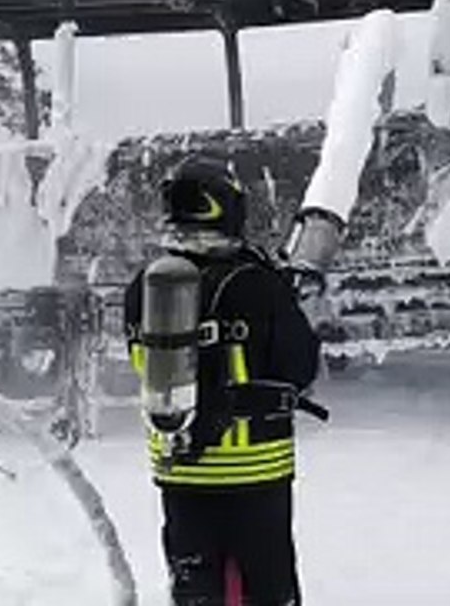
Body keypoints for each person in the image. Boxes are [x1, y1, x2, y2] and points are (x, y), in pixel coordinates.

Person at [124, 154, 323, 606]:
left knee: (195, 592)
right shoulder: (257, 285)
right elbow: (300, 367)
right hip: (257, 471)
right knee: (270, 590)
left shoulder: (144, 288)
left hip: (179, 470)